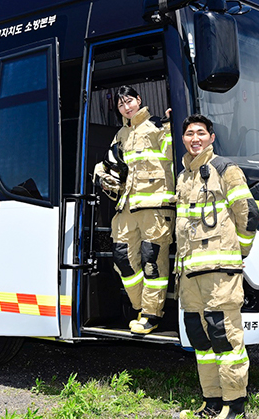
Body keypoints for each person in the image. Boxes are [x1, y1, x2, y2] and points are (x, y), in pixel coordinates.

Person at [176, 114, 259, 419]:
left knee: (225, 338)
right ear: (183, 139)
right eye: (188, 134)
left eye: (200, 133)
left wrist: (240, 251)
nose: (194, 138)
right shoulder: (183, 177)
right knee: (200, 340)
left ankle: (234, 405)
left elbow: (248, 214)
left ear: (211, 137)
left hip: (220, 273)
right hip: (189, 276)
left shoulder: (226, 170)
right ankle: (211, 403)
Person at [93, 86, 175, 334]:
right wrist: (102, 176)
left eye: (129, 101)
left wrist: (171, 126)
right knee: (122, 259)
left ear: (139, 100)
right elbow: (109, 163)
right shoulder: (121, 134)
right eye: (121, 105)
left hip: (155, 205)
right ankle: (141, 307)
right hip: (127, 204)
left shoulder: (159, 126)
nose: (126, 107)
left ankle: (151, 314)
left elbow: (175, 159)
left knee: (153, 261)